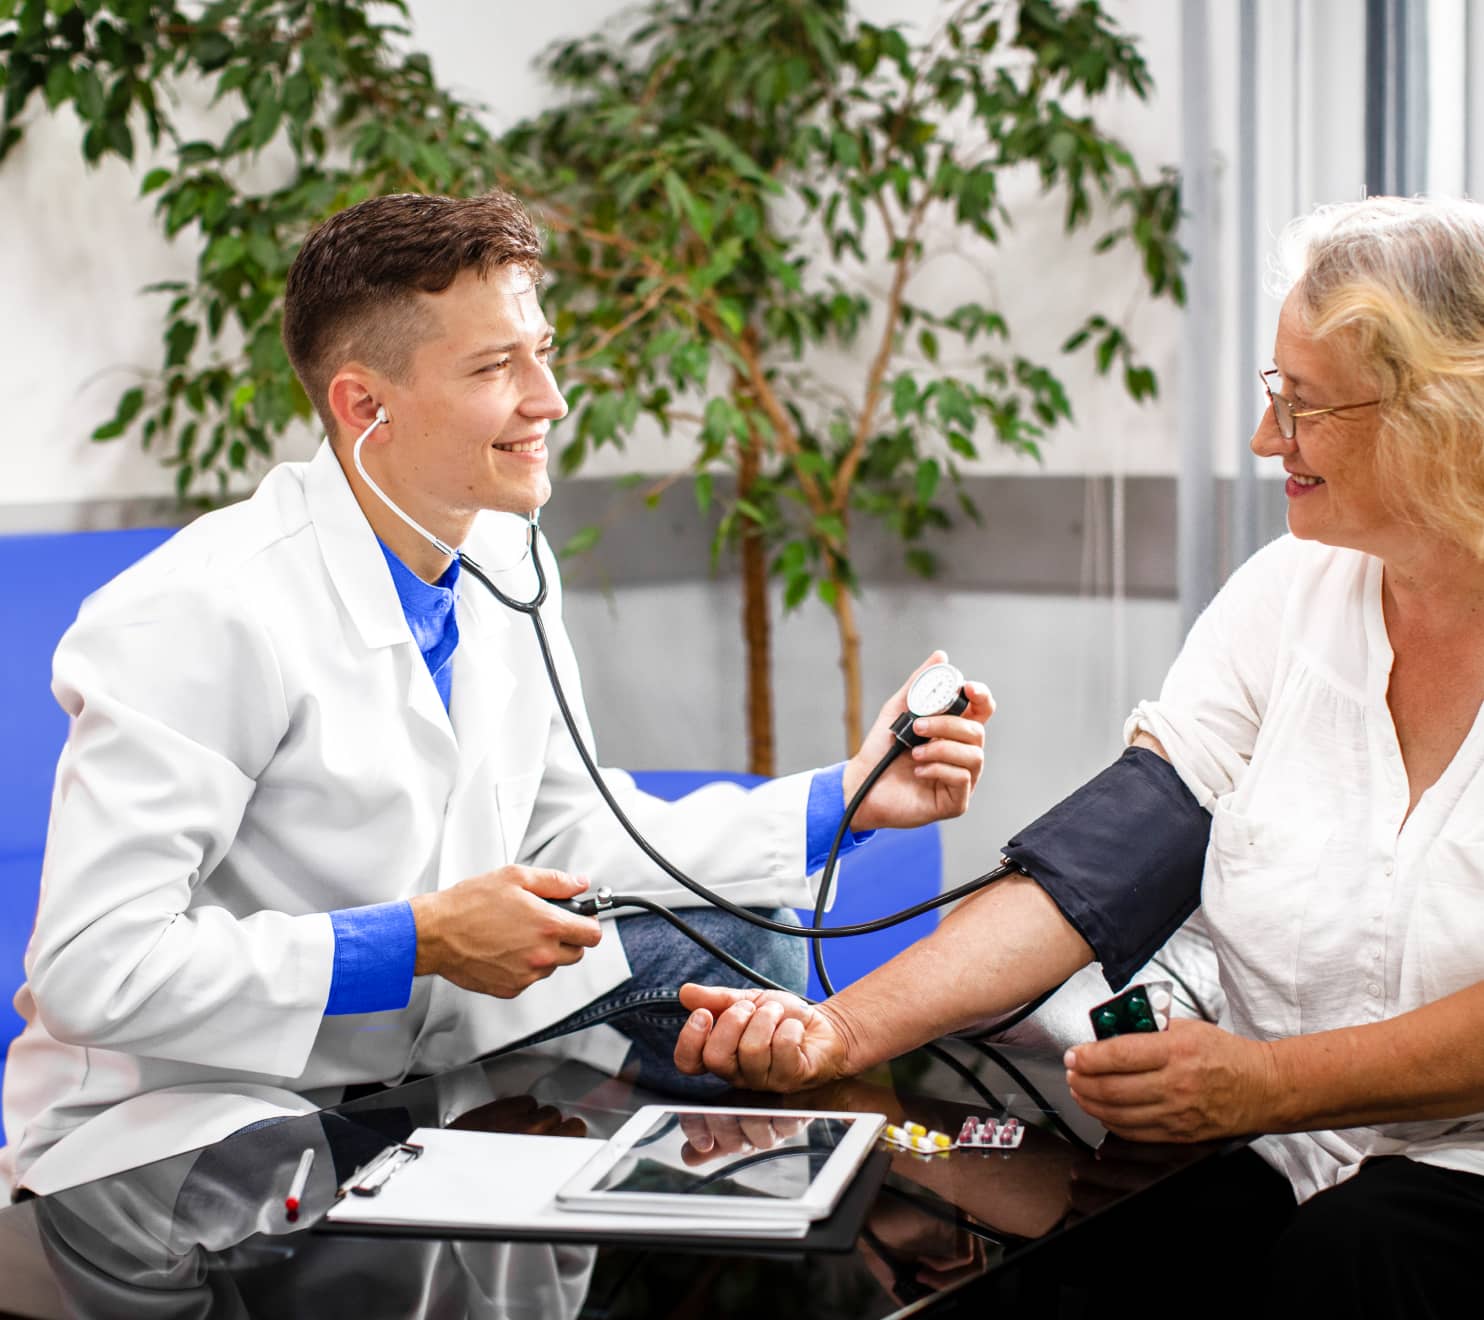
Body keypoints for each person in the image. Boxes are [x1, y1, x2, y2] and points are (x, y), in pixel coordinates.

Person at [1, 189, 993, 1197]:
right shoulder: (196, 612)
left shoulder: (501, 551)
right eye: (494, 367)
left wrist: (849, 799)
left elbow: (572, 834)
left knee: (755, 944)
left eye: (542, 352)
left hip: (418, 1059)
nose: (549, 400)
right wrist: (418, 941)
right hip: (198, 1105)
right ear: (364, 406)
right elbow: (94, 968)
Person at [674, 195, 1484, 1318]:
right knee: (1063, 1262)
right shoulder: (1285, 600)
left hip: (1443, 1174)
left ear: (1442, 414)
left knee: (1351, 1259)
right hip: (1292, 1158)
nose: (1267, 440)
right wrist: (839, 1031)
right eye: (1274, 394)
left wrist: (1265, 1083)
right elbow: (1104, 864)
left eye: (1302, 404)